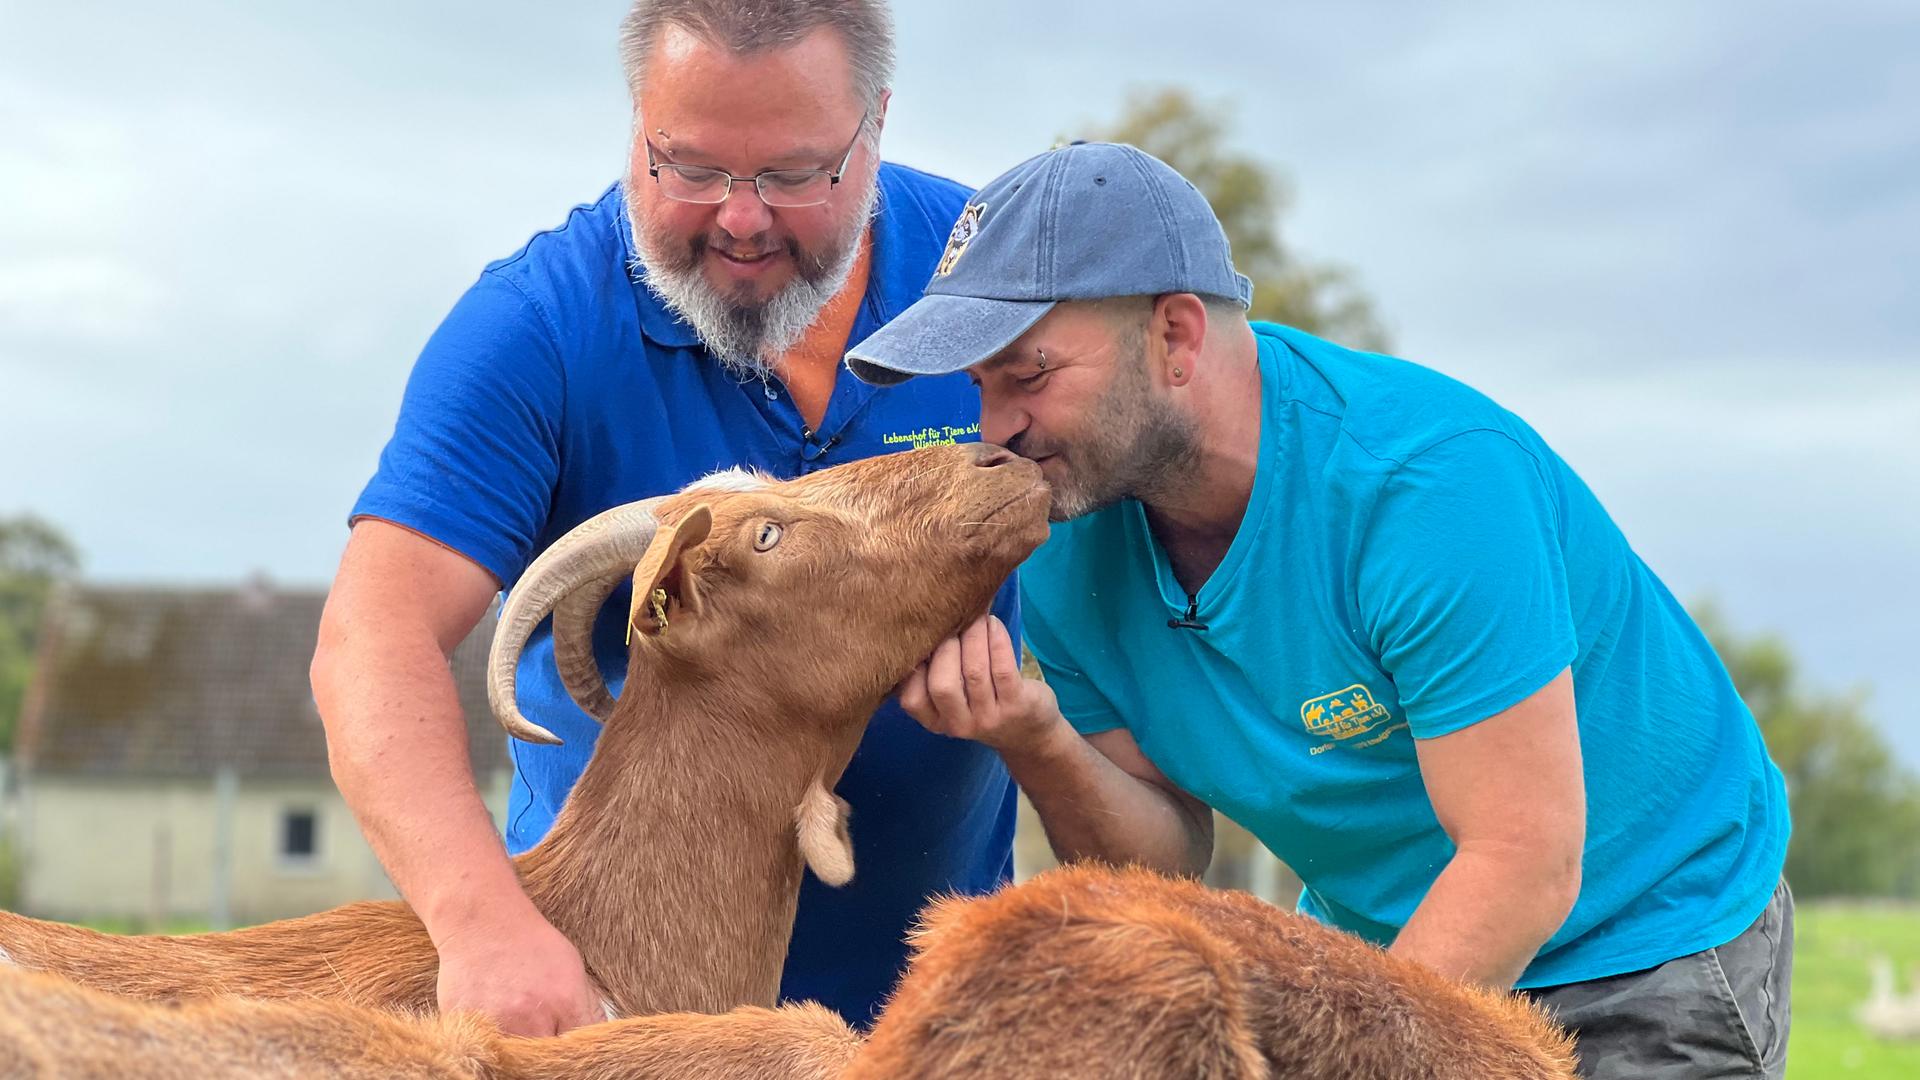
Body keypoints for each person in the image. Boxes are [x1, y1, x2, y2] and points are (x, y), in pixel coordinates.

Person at [846, 141, 1793, 1080]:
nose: (994, 429)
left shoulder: (1424, 487)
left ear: (1175, 336)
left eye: (1028, 373)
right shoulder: (1067, 528)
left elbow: (1523, 860)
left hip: (1641, 941)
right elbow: (1169, 861)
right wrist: (1036, 736)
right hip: (1377, 952)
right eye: (978, 386)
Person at [310, 0, 1018, 1035]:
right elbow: (372, 642)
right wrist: (486, 932)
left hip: (936, 1020)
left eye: (792, 175)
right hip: (607, 1016)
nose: (739, 218)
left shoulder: (994, 282)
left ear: (876, 127)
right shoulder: (538, 328)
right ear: (635, 119)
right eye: (687, 166)